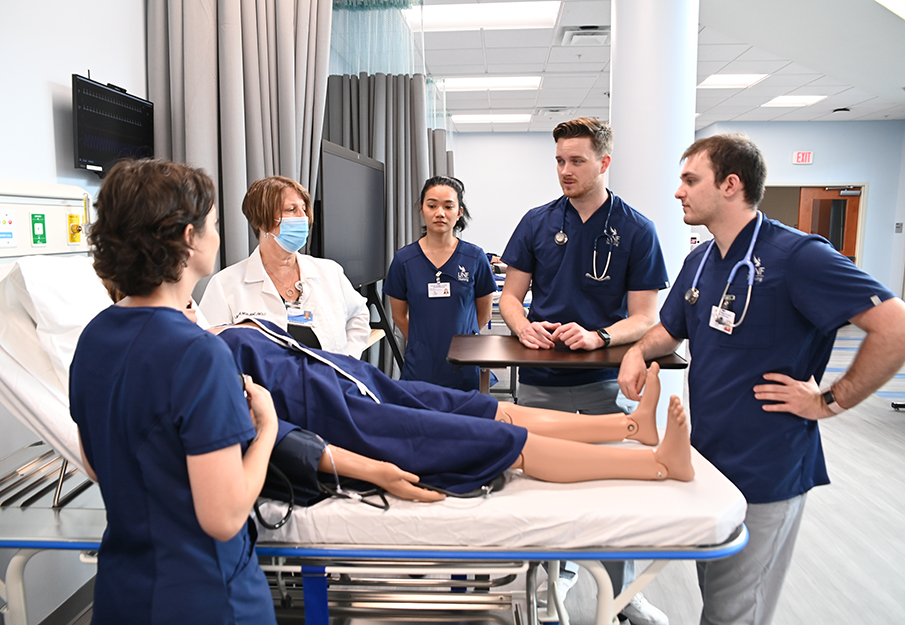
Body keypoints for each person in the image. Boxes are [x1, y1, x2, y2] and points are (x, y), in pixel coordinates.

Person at [618, 134, 905, 625]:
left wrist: (830, 400)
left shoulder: (799, 257)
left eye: (690, 180)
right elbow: (671, 329)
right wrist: (639, 351)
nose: (678, 191)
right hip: (708, 457)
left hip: (767, 466)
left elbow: (894, 326)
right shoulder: (701, 260)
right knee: (715, 593)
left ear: (731, 185)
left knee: (734, 613)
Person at [69, 159, 280, 624]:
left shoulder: (94, 338)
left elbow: (97, 465)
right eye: (216, 224)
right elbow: (223, 518)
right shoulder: (200, 355)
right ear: (189, 237)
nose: (219, 236)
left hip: (123, 593)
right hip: (204, 598)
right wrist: (266, 429)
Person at [213, 317, 693, 500]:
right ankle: (654, 463)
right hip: (359, 425)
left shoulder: (230, 328)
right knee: (497, 439)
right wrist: (377, 471)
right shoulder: (207, 365)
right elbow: (284, 437)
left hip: (371, 387)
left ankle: (630, 424)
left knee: (479, 406)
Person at [499, 117, 670, 624]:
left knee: (616, 490)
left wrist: (601, 336)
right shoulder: (537, 221)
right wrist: (523, 326)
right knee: (541, 490)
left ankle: (621, 595)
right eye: (559, 160)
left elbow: (645, 316)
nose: (565, 170)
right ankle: (549, 586)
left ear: (604, 162)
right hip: (541, 382)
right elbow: (510, 297)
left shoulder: (637, 229)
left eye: (576, 160)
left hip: (604, 384)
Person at [200, 175, 370, 358]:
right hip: (262, 387)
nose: (303, 218)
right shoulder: (225, 285)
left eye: (304, 209)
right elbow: (209, 350)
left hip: (331, 384)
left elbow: (358, 315)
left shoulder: (330, 272)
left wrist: (347, 362)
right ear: (260, 220)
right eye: (291, 209)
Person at [384, 176, 497, 390]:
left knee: (467, 421)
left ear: (459, 212)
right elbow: (398, 315)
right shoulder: (404, 260)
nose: (440, 213)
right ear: (421, 209)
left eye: (448, 206)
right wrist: (422, 343)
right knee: (421, 421)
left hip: (465, 364)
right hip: (421, 367)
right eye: (432, 205)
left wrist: (460, 344)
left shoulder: (475, 257)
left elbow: (484, 314)